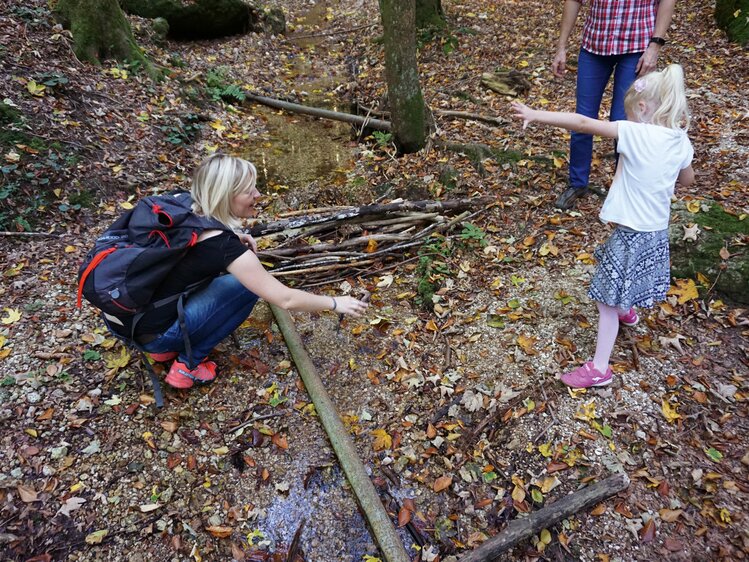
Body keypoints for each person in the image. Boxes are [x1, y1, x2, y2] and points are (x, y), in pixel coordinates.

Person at [511, 64, 694, 388]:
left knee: (604, 299)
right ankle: (628, 312)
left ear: (641, 108)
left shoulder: (635, 132)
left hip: (631, 234)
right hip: (655, 232)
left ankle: (599, 368)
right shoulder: (680, 141)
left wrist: (535, 113)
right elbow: (688, 180)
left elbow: (583, 123)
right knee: (626, 278)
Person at [132, 154, 369, 389]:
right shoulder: (222, 247)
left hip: (132, 322)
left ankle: (163, 350)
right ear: (225, 195)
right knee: (245, 288)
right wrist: (335, 303)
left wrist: (234, 235)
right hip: (155, 333)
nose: (258, 194)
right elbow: (285, 299)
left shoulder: (181, 203)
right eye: (249, 191)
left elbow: (195, 242)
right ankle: (187, 365)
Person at [551, 0, 676, 210]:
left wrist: (655, 45)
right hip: (594, 46)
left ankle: (625, 191)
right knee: (583, 117)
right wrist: (561, 47)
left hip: (636, 48)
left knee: (626, 123)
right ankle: (577, 183)